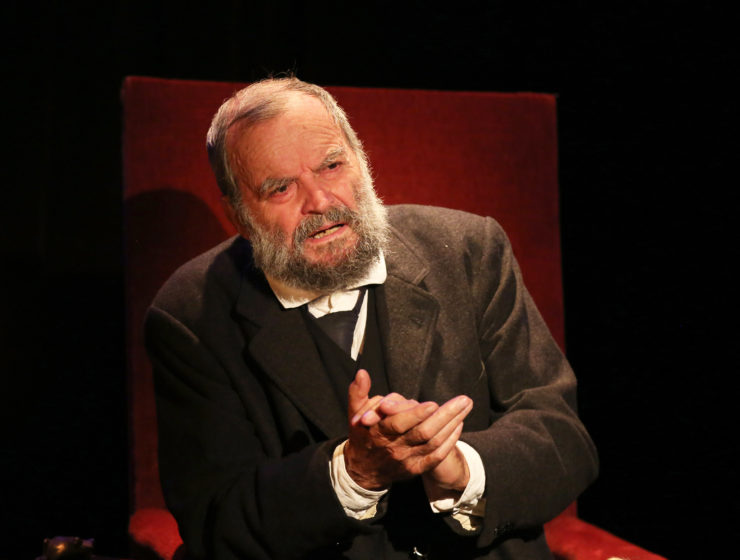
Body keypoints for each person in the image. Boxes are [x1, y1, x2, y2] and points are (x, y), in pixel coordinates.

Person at [146, 77, 598, 560]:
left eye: (332, 166)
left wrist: (461, 468)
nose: (320, 202)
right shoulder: (190, 314)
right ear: (239, 215)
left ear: (361, 161)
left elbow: (564, 439)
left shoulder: (470, 251)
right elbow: (215, 521)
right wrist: (352, 472)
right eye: (280, 188)